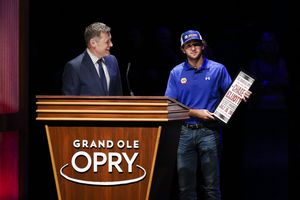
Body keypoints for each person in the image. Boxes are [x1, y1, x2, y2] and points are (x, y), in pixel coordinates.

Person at [164, 30, 251, 200]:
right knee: (185, 188)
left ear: (202, 46)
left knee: (212, 186)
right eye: (188, 45)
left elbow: (231, 95)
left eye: (196, 44)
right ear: (183, 50)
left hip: (209, 132)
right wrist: (195, 112)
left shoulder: (217, 69)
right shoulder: (176, 72)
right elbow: (170, 106)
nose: (193, 48)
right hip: (184, 132)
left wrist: (242, 94)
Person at [62, 22, 123, 96]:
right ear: (93, 43)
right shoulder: (74, 67)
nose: (111, 44)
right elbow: (70, 104)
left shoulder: (112, 61)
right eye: (107, 42)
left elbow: (118, 95)